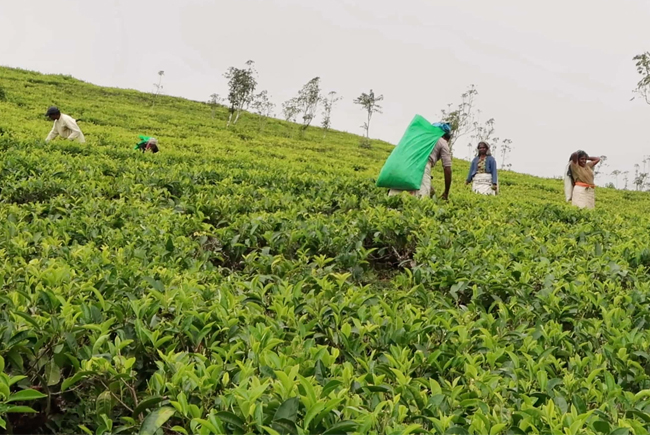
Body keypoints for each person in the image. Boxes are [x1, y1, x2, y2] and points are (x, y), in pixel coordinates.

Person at [388, 128, 453, 199]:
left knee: (394, 199)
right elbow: (447, 168)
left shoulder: (422, 137)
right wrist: (446, 193)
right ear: (444, 137)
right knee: (420, 201)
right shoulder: (442, 141)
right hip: (423, 167)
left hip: (404, 165)